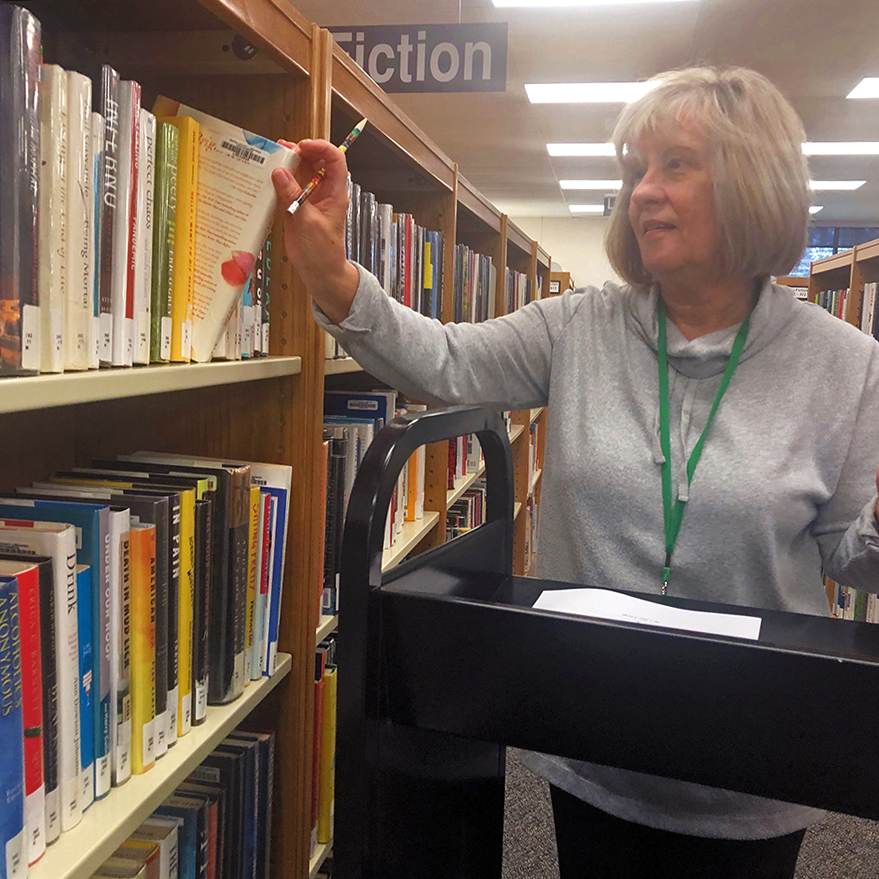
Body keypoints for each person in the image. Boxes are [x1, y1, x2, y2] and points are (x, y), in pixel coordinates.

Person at [271, 67, 879, 878]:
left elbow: (851, 554)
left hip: (748, 767)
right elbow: (442, 363)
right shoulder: (579, 328)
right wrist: (332, 274)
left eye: (674, 165)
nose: (641, 192)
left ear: (750, 182)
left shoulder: (844, 364)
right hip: (591, 741)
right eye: (634, 170)